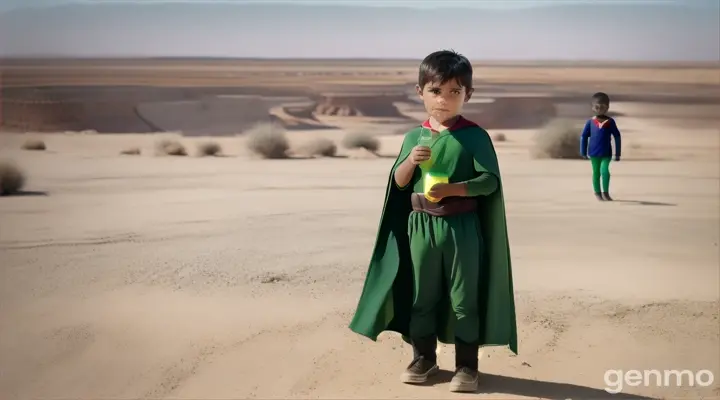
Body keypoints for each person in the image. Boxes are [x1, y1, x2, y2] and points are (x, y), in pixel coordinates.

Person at [348, 49, 518, 393]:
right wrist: (410, 161)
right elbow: (398, 182)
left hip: (461, 228)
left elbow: (490, 181)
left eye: (455, 92)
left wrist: (453, 188)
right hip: (420, 228)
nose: (444, 100)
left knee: (463, 298)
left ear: (467, 95)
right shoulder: (414, 137)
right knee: (421, 296)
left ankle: (467, 366)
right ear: (420, 92)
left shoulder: (474, 136)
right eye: (436, 91)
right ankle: (423, 358)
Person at [580, 92, 622, 201]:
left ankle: (606, 193)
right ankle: (597, 193)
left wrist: (618, 153)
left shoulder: (610, 122)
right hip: (593, 153)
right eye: (597, 107)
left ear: (607, 107)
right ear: (592, 108)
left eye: (602, 107)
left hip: (606, 153)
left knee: (604, 171)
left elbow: (617, 136)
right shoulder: (590, 122)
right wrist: (583, 152)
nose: (599, 109)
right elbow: (584, 136)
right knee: (596, 172)